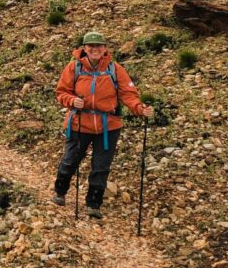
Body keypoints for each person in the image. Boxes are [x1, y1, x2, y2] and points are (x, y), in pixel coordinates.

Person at [52, 31, 153, 218]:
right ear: (84, 48)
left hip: (109, 126)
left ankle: (93, 204)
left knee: (101, 166)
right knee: (71, 159)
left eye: (98, 46)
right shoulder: (74, 67)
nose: (95, 49)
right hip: (79, 122)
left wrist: (139, 108)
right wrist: (72, 101)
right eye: (91, 46)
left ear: (105, 48)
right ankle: (60, 192)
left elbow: (128, 94)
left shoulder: (115, 69)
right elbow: (61, 92)